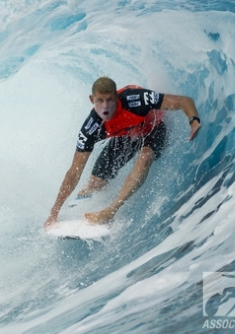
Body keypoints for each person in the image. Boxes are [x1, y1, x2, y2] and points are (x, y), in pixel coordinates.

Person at [44, 77, 201, 227]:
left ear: (117, 98)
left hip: (154, 128)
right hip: (127, 136)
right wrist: (54, 212)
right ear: (92, 100)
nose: (105, 106)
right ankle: (81, 202)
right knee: (94, 183)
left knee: (145, 157)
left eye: (110, 100)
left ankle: (110, 211)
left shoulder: (136, 99)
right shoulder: (91, 128)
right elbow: (73, 172)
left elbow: (183, 101)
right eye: (100, 101)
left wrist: (194, 121)